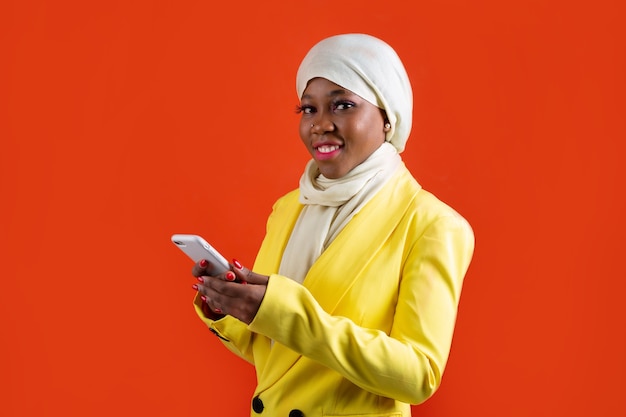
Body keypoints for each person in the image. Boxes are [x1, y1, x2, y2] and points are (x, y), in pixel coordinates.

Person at [189, 33, 474, 416]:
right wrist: (227, 308)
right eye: (308, 110)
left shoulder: (432, 225)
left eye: (342, 105)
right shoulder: (289, 209)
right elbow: (278, 356)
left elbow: (418, 375)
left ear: (388, 116)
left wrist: (284, 313)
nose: (320, 125)